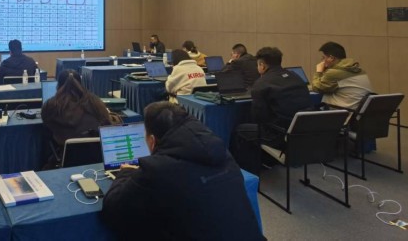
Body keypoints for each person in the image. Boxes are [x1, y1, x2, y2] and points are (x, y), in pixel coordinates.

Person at [101, 102, 263, 241]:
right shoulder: (222, 153)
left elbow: (113, 209)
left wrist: (126, 173)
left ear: (152, 141)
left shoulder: (157, 170)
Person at [230, 47, 312, 175]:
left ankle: (247, 172)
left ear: (262, 65)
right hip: (303, 132)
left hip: (280, 136)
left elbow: (258, 117)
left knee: (240, 130)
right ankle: (267, 162)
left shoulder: (261, 83)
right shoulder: (295, 76)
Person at [41, 70, 113, 167]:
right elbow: (106, 123)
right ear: (80, 84)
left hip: (66, 161)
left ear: (58, 85)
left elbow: (46, 125)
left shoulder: (51, 105)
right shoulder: (96, 103)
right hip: (98, 161)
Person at [312, 41, 373, 110]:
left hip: (344, 112)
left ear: (331, 58)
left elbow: (317, 88)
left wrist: (319, 72)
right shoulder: (358, 69)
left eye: (323, 58)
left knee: (308, 107)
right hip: (358, 111)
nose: (322, 61)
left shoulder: (334, 72)